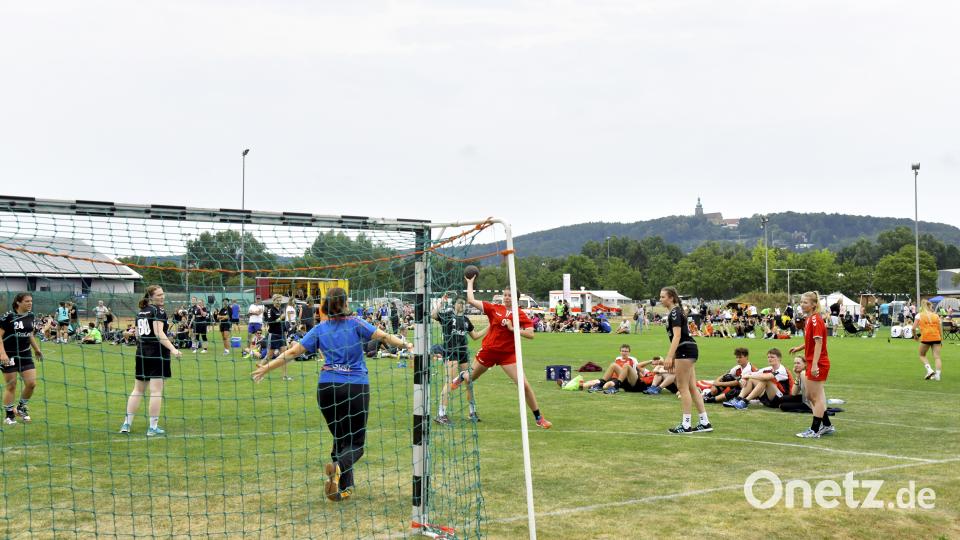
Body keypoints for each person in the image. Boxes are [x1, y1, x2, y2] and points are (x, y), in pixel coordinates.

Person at [252, 287, 412, 502]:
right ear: (345, 304)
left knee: (340, 438)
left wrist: (266, 367)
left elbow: (292, 352)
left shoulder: (320, 328)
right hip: (355, 386)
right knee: (356, 444)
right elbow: (384, 336)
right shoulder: (356, 323)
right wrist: (406, 344)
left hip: (327, 389)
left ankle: (343, 487)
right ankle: (338, 467)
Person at [450, 276, 552, 429]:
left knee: (524, 385)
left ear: (516, 298)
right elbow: (471, 300)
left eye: (510, 295)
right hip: (489, 352)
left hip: (507, 355)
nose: (507, 297)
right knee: (469, 378)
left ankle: (539, 418)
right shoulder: (494, 308)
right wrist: (470, 283)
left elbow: (531, 334)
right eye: (505, 295)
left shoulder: (520, 314)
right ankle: (463, 375)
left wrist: (513, 328)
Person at [120, 285, 182, 436]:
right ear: (151, 297)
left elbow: (138, 334)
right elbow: (159, 333)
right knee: (156, 391)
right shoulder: (158, 311)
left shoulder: (141, 312)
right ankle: (152, 427)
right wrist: (173, 349)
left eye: (163, 294)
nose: (162, 297)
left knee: (138, 390)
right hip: (157, 354)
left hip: (141, 353)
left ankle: (127, 424)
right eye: (159, 295)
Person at [660, 287, 712, 434]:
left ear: (671, 298)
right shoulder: (676, 311)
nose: (660, 299)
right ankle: (705, 422)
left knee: (683, 388)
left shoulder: (675, 312)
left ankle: (686, 425)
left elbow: (677, 336)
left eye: (663, 297)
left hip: (685, 350)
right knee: (691, 387)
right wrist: (673, 357)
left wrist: (669, 356)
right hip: (687, 350)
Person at [432, 294, 487, 425]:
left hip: (463, 353)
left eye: (463, 303)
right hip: (451, 352)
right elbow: (433, 315)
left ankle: (472, 412)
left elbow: (475, 336)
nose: (462, 305)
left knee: (469, 381)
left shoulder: (466, 320)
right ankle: (441, 414)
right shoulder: (447, 315)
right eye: (459, 303)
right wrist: (441, 301)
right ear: (455, 304)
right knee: (448, 382)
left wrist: (490, 326)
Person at [789, 291, 834, 438]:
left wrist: (814, 365)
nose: (802, 305)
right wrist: (799, 348)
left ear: (814, 304)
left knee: (815, 397)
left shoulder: (815, 320)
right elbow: (811, 341)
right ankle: (826, 425)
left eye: (805, 302)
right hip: (813, 362)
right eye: (801, 302)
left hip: (819, 363)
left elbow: (819, 343)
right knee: (810, 396)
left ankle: (815, 430)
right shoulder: (809, 319)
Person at [0, 293, 44, 426]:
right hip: (9, 355)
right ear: (18, 303)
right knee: (11, 385)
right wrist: (2, 354)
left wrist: (36, 349)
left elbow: (29, 333)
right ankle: (9, 415)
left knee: (31, 384)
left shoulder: (30, 316)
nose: (30, 303)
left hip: (25, 354)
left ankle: (21, 407)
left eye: (31, 301)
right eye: (27, 301)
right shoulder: (8, 317)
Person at [262, 295, 292, 381]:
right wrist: (279, 318)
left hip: (281, 335)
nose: (279, 302)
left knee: (284, 356)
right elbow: (270, 323)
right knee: (269, 356)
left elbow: (282, 323)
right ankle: (259, 371)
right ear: (273, 301)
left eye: (280, 300)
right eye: (277, 300)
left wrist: (286, 330)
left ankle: (284, 376)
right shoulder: (270, 310)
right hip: (273, 335)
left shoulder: (281, 310)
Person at [913, 300, 943, 381]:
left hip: (926, 337)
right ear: (930, 306)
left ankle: (929, 370)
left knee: (922, 355)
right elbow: (940, 329)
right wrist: (941, 339)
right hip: (936, 337)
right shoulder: (936, 315)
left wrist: (915, 336)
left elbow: (913, 328)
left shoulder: (919, 315)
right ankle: (937, 376)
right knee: (937, 357)